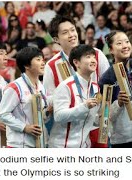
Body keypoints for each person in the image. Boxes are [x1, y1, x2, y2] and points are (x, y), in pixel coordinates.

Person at [43, 15, 110, 147]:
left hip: (95, 125)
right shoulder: (51, 65)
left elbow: (108, 86)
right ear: (56, 39)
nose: (71, 35)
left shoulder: (96, 55)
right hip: (70, 129)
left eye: (73, 30)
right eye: (65, 32)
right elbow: (48, 98)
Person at [0, 46, 51, 148]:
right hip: (18, 145)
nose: (43, 63)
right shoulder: (15, 87)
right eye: (38, 60)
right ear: (27, 65)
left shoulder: (41, 87)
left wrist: (48, 112)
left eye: (43, 60)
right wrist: (24, 127)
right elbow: (2, 114)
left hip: (39, 144)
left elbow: (42, 118)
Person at [48, 44, 100, 148]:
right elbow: (58, 116)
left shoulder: (96, 88)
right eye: (88, 57)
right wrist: (84, 106)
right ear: (76, 63)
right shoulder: (65, 86)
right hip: (62, 146)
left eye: (94, 57)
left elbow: (92, 120)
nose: (93, 60)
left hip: (84, 146)